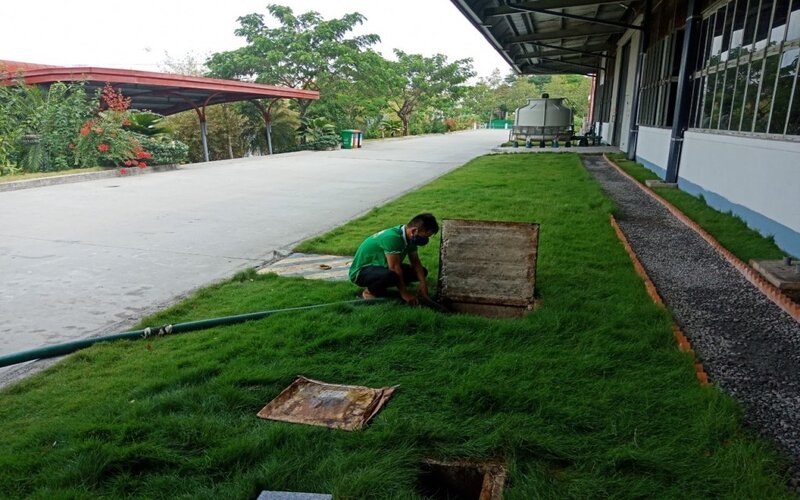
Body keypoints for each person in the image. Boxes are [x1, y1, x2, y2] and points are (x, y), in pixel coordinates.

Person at [349, 213, 439, 304]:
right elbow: (394, 268)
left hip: (383, 266)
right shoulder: (393, 238)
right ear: (414, 231)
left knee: (422, 272)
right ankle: (369, 292)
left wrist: (423, 284)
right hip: (361, 272)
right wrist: (404, 293)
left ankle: (392, 283)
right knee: (391, 275)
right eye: (425, 236)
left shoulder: (410, 238)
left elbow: (415, 262)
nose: (426, 240)